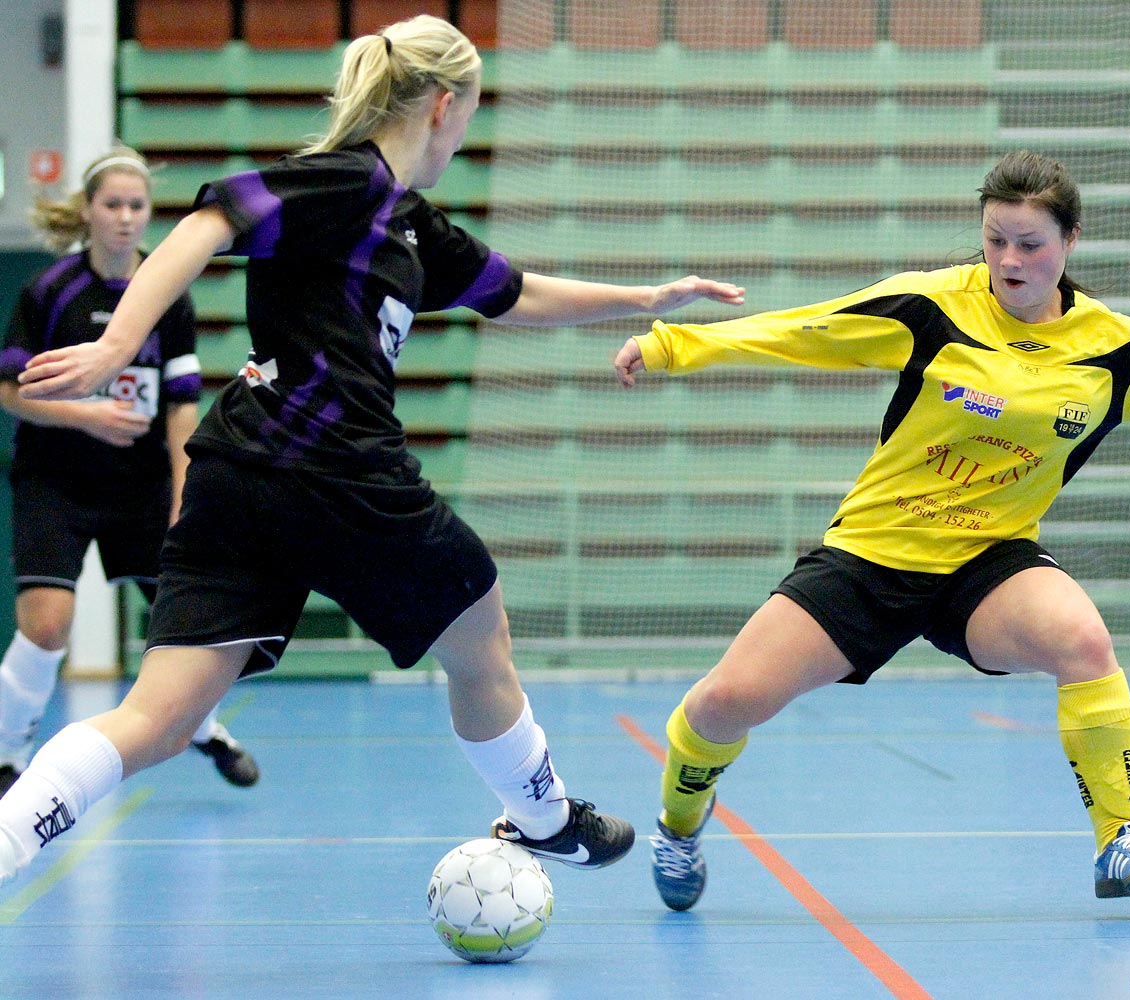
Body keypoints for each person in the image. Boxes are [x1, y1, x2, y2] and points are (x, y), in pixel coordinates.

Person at [0, 15, 744, 889]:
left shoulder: (411, 227)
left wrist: (646, 296)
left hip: (237, 473)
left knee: (157, 720)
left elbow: (516, 294)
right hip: (339, 469)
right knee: (480, 627)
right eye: (471, 110)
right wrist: (121, 342)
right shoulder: (347, 180)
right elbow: (211, 219)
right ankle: (542, 817)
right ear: (442, 104)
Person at [613, 149, 1130, 911]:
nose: (1009, 260)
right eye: (994, 240)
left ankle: (1120, 840)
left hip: (989, 562)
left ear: (1070, 241)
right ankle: (680, 825)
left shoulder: (1113, 352)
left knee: (1082, 643)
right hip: (874, 554)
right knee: (724, 704)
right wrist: (674, 344)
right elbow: (808, 329)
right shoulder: (933, 307)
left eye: (1029, 243)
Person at [0, 147, 259, 799]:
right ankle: (8, 754)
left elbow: (180, 407)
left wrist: (182, 493)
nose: (123, 217)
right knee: (48, 624)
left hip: (140, 489)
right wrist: (86, 415)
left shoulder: (165, 294)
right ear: (88, 210)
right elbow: (9, 391)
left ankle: (204, 727)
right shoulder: (49, 291)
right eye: (111, 204)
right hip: (54, 482)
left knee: (182, 625)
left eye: (135, 206)